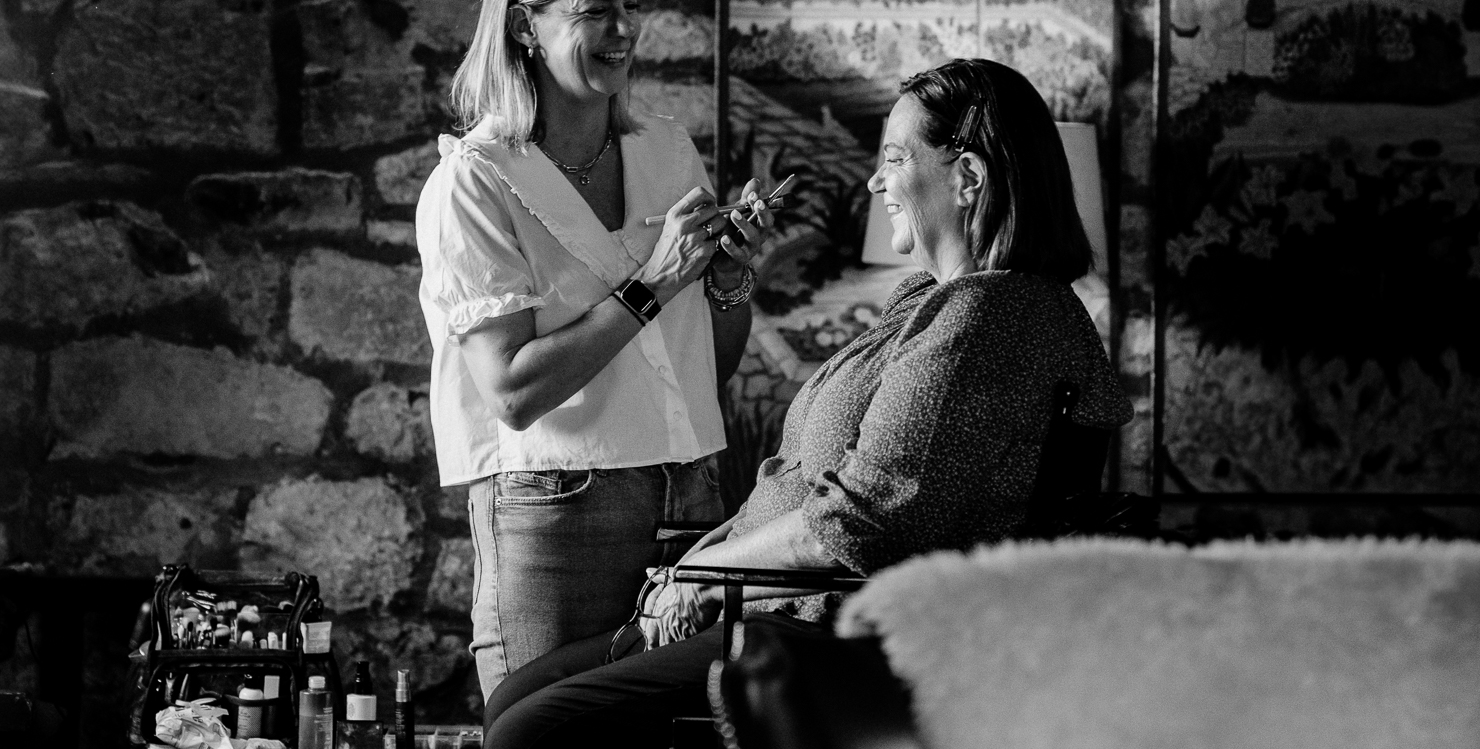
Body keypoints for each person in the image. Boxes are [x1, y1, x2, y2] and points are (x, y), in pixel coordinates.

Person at [482, 57, 1134, 749]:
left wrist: (700, 579)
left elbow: (864, 518)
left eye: (894, 159)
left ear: (968, 178)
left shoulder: (990, 319)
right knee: (514, 701)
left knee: (529, 730)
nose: (877, 181)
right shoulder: (930, 302)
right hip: (771, 605)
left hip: (825, 634)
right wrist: (689, 572)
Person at [416, 0, 783, 701]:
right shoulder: (474, 184)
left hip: (691, 487)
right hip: (557, 508)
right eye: (594, 10)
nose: (624, 29)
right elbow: (513, 391)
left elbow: (702, 372)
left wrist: (725, 278)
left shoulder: (665, 147)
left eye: (631, 4)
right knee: (546, 730)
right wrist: (655, 282)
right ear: (524, 27)